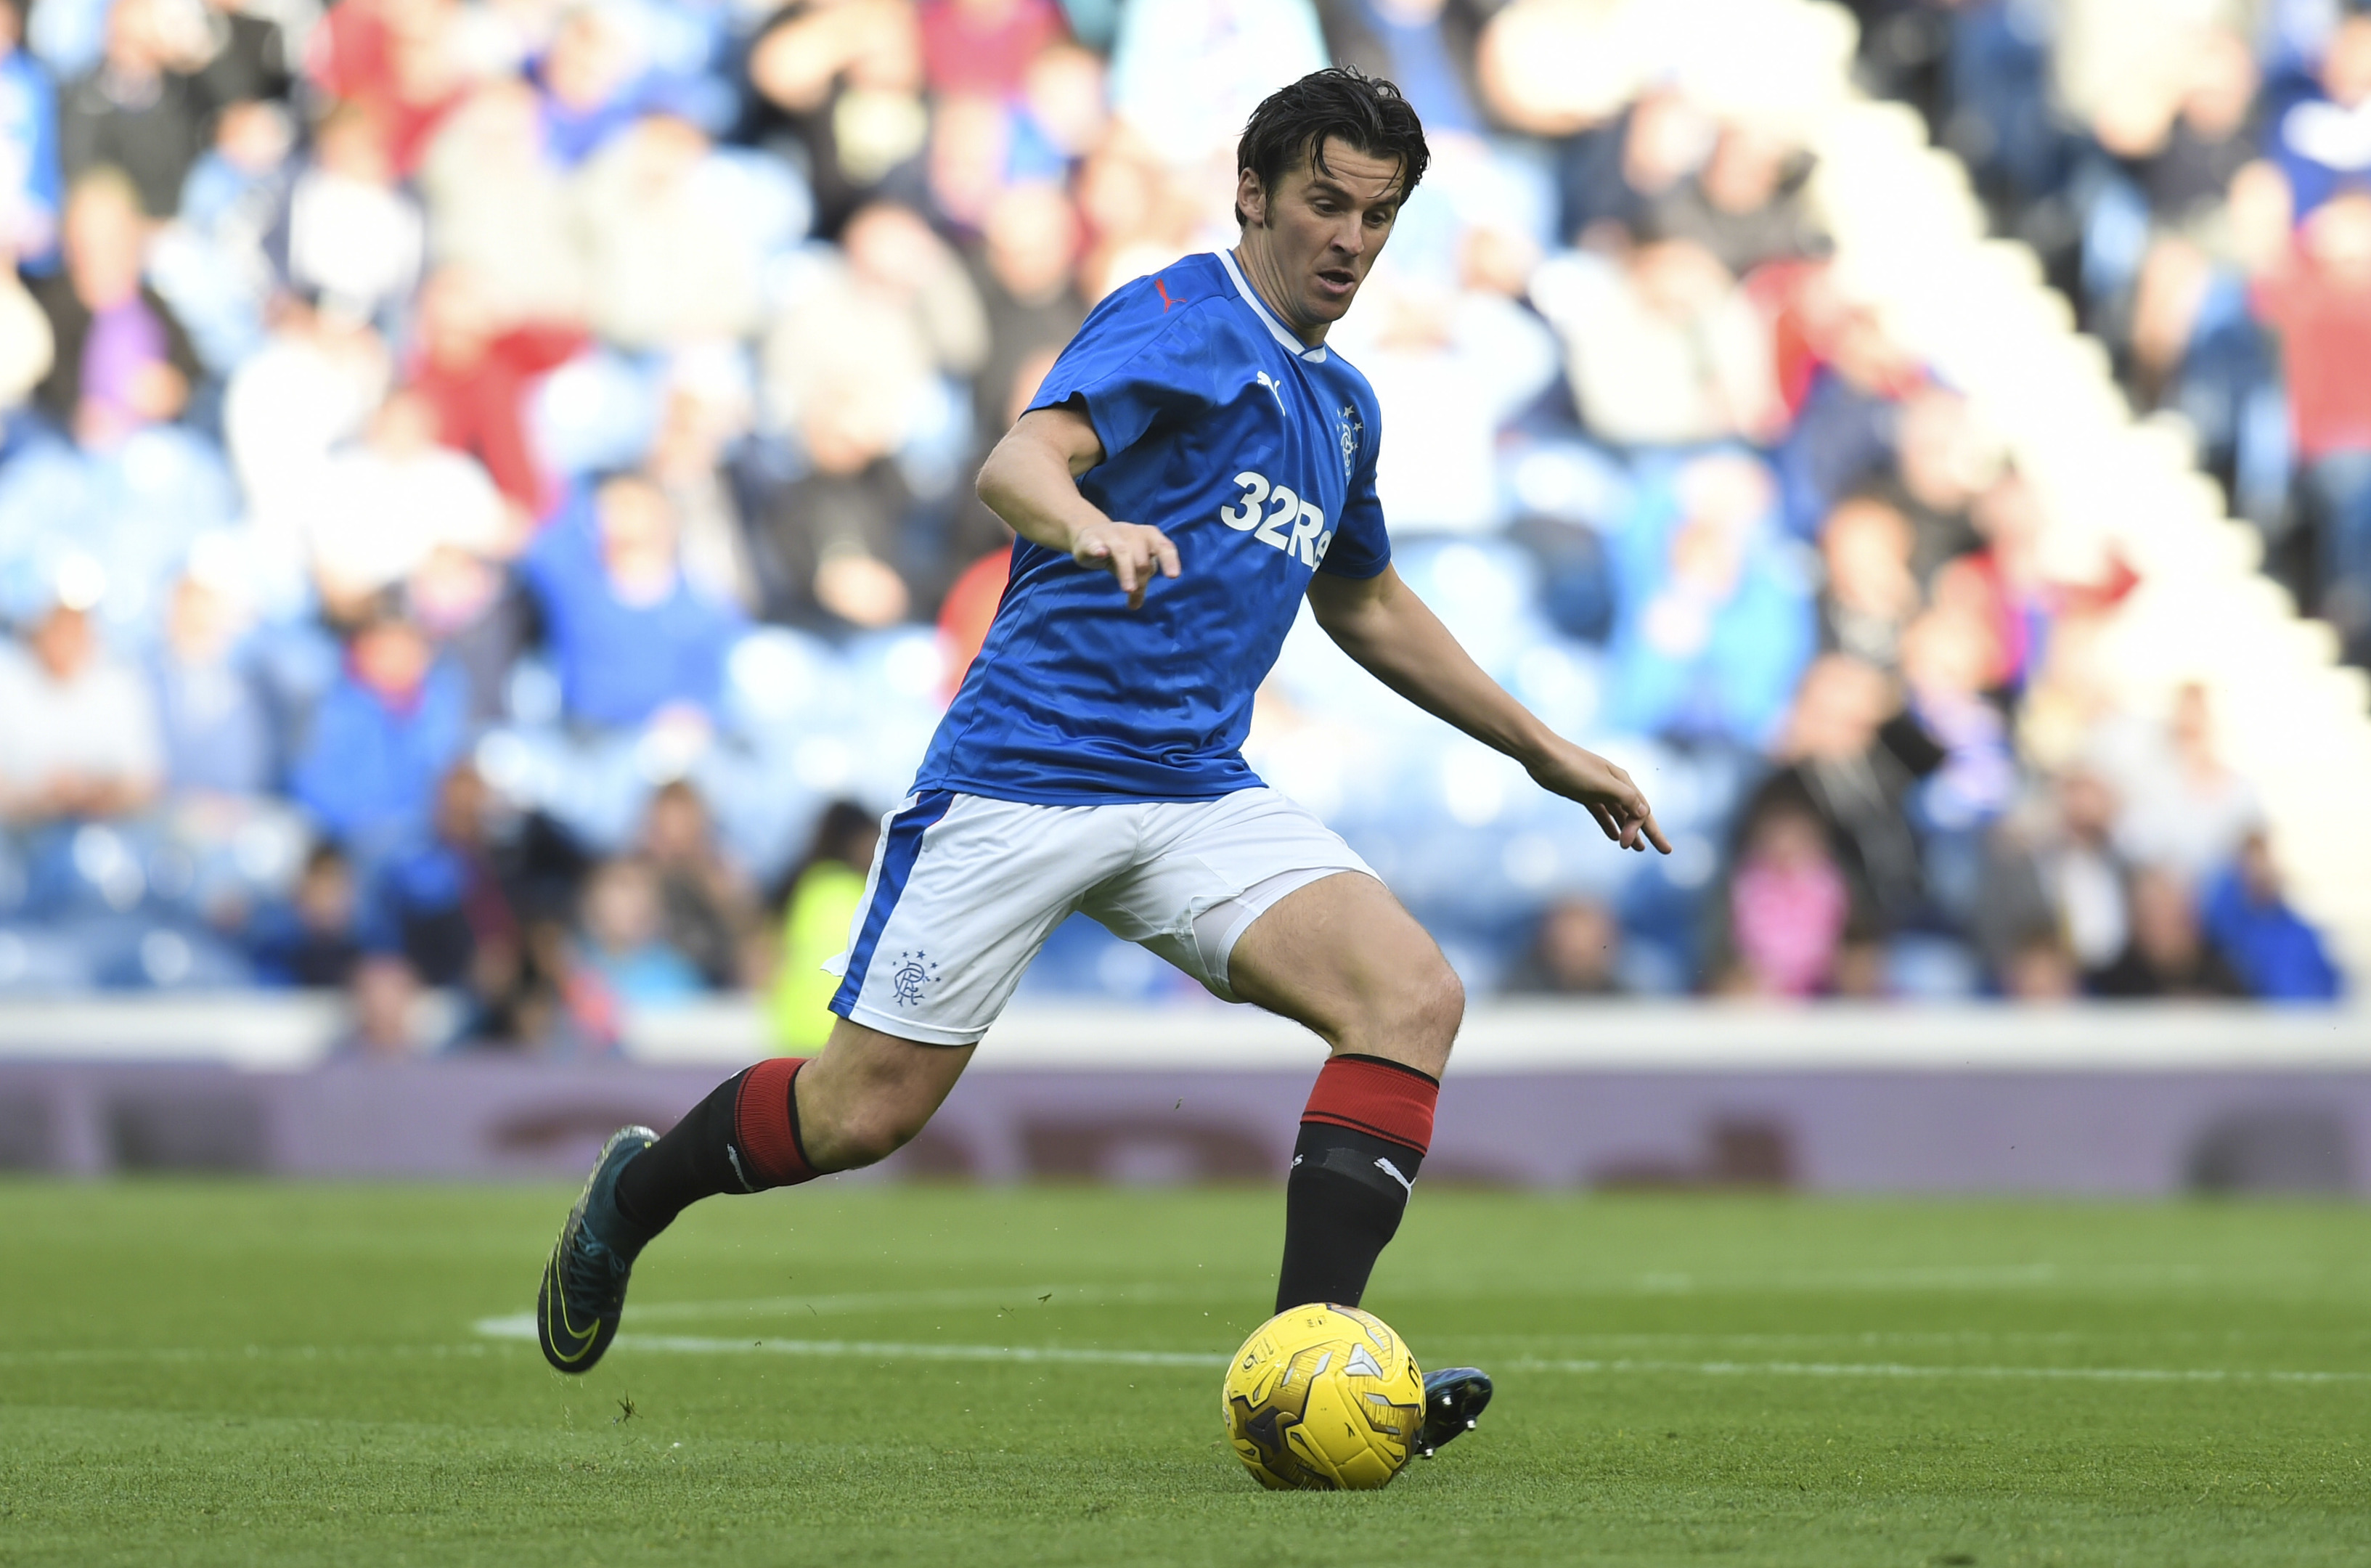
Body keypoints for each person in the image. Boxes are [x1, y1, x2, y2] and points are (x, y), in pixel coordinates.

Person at [531, 69, 1668, 1464]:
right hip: (1027, 772)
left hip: (1194, 786)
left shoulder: (1344, 407)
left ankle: (1304, 1380)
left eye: (1377, 218)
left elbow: (1361, 601)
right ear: (1251, 194)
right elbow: (1018, 461)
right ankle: (633, 1201)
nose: (1351, 241)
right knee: (857, 1114)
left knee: (1408, 996)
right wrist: (1089, 529)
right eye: (1325, 202)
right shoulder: (1183, 320)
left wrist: (1549, 752)